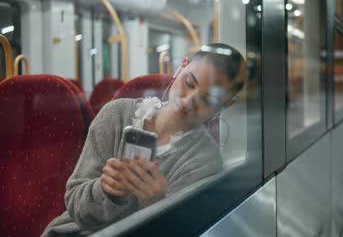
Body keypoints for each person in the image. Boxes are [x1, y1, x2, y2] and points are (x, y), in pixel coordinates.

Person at [41, 43, 247, 237]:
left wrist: (157, 204)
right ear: (181, 67)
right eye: (189, 82)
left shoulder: (205, 161)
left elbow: (180, 230)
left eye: (208, 100)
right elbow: (75, 205)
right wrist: (107, 190)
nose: (188, 102)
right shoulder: (116, 113)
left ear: (225, 105)